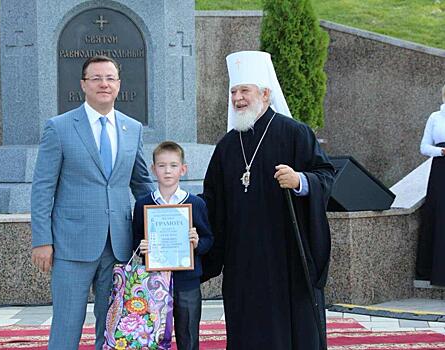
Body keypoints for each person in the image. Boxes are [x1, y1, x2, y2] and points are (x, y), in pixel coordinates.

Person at [201, 51, 335, 349]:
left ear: (265, 94)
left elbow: (326, 175)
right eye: (234, 92)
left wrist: (301, 180)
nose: (238, 98)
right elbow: (212, 200)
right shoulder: (226, 146)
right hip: (242, 261)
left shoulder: (294, 133)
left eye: (244, 91)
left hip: (286, 258)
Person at [30, 55, 154, 350]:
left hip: (119, 246)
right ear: (83, 85)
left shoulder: (132, 128)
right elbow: (42, 188)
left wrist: (165, 223)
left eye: (110, 78)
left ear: (119, 85)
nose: (104, 84)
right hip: (71, 245)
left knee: (112, 326)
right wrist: (41, 240)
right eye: (96, 78)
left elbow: (142, 185)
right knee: (66, 325)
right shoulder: (59, 128)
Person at [132, 141, 213, 350]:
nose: (167, 171)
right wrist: (142, 247)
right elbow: (135, 240)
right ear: (153, 169)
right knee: (153, 336)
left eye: (173, 165)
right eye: (161, 165)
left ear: (183, 169)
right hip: (154, 282)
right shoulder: (143, 204)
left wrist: (196, 243)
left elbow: (208, 239)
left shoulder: (195, 204)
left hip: (187, 282)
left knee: (188, 335)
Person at [415, 84, 445, 286]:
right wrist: (441, 152)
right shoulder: (435, 117)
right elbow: (424, 147)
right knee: (439, 216)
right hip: (441, 170)